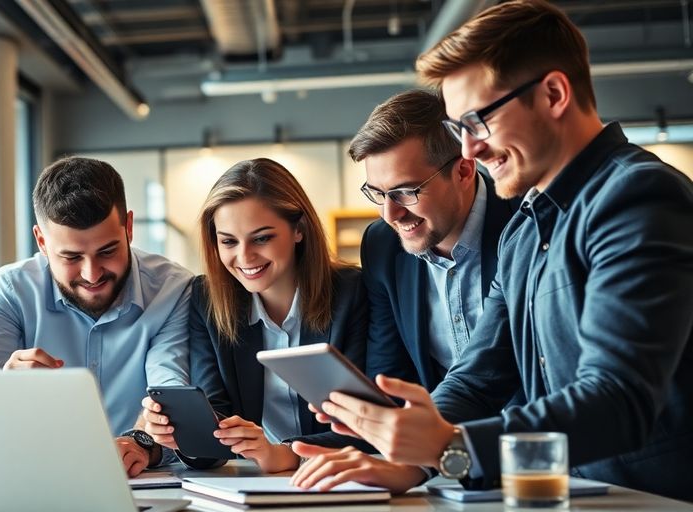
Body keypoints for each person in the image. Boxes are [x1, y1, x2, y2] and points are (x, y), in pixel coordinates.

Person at [296, 0, 693, 501]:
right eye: (461, 130)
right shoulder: (523, 231)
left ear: (553, 94)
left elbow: (617, 397)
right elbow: (478, 378)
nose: (469, 151)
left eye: (478, 122)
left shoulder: (638, 197)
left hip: (656, 498)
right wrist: (410, 459)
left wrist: (449, 446)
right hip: (568, 493)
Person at [289, 89, 518, 493]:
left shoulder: (523, 226)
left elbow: (496, 374)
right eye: (377, 194)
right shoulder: (382, 244)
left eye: (406, 192)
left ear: (464, 170)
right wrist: (365, 419)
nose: (390, 214)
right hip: (442, 468)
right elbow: (391, 375)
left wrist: (424, 455)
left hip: (532, 454)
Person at [0, 156, 193, 477]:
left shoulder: (173, 290)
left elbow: (169, 393)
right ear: (41, 241)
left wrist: (141, 442)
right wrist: (2, 393)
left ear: (129, 228)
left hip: (137, 482)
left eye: (107, 251)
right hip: (32, 478)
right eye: (71, 257)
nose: (92, 274)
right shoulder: (10, 290)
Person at [138, 158, 368, 473]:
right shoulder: (207, 300)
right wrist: (183, 433)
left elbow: (372, 420)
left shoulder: (354, 293)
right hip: (252, 482)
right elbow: (214, 422)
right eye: (229, 241)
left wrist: (286, 454)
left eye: (262, 238)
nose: (245, 257)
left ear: (298, 229)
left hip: (339, 477)